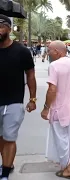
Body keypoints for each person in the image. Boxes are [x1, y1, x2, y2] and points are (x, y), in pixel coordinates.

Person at [41, 40, 70, 179]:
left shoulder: (54, 66)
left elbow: (52, 89)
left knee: (61, 139)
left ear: (57, 51)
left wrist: (45, 108)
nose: (48, 53)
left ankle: (68, 168)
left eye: (49, 50)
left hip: (59, 109)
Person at [0, 14, 37, 180]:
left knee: (9, 138)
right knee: (1, 138)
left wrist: (33, 99)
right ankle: (6, 162)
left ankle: (5, 173)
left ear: (9, 28)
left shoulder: (21, 51)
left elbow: (30, 75)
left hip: (13, 102)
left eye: (0, 26)